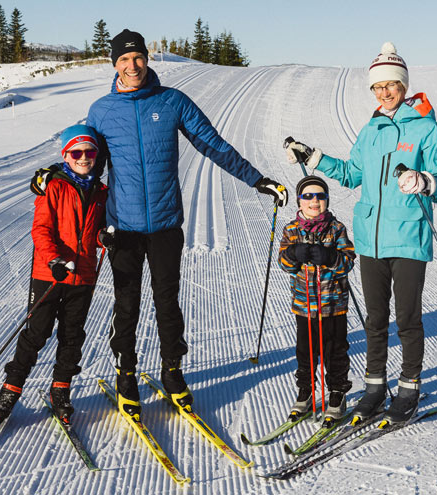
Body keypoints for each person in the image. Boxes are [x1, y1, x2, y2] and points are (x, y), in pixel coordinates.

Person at [30, 29, 287, 418]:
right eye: (124, 60)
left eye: (138, 58)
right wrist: (50, 174)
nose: (132, 66)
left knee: (168, 303)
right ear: (114, 64)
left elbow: (212, 143)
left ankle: (172, 372)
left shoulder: (172, 102)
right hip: (123, 229)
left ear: (146, 59)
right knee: (127, 305)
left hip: (166, 224)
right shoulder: (102, 110)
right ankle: (126, 373)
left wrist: (257, 179)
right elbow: (86, 161)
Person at [284, 42, 437, 424]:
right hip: (370, 240)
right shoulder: (371, 130)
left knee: (407, 318)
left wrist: (424, 180)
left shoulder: (427, 128)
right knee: (375, 320)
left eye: (391, 84)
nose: (384, 92)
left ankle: (409, 387)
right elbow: (351, 175)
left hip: (409, 236)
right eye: (378, 87)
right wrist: (314, 157)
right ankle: (375, 386)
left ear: (404, 85)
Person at [0, 125, 107, 425]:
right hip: (50, 273)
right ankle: (10, 391)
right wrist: (54, 259)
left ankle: (60, 389)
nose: (84, 158)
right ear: (65, 155)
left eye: (89, 152)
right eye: (77, 152)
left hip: (83, 275)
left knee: (72, 335)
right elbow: (41, 229)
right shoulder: (54, 185)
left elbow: (92, 233)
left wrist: (103, 239)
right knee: (36, 333)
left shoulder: (100, 191)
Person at [278, 176, 355, 420]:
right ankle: (305, 392)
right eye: (308, 196)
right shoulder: (291, 230)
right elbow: (284, 264)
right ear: (299, 201)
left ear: (327, 200)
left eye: (320, 196)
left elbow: (348, 262)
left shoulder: (336, 228)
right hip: (304, 306)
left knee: (335, 350)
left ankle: (337, 393)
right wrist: (293, 253)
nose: (315, 201)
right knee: (306, 351)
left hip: (333, 305)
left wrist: (331, 257)